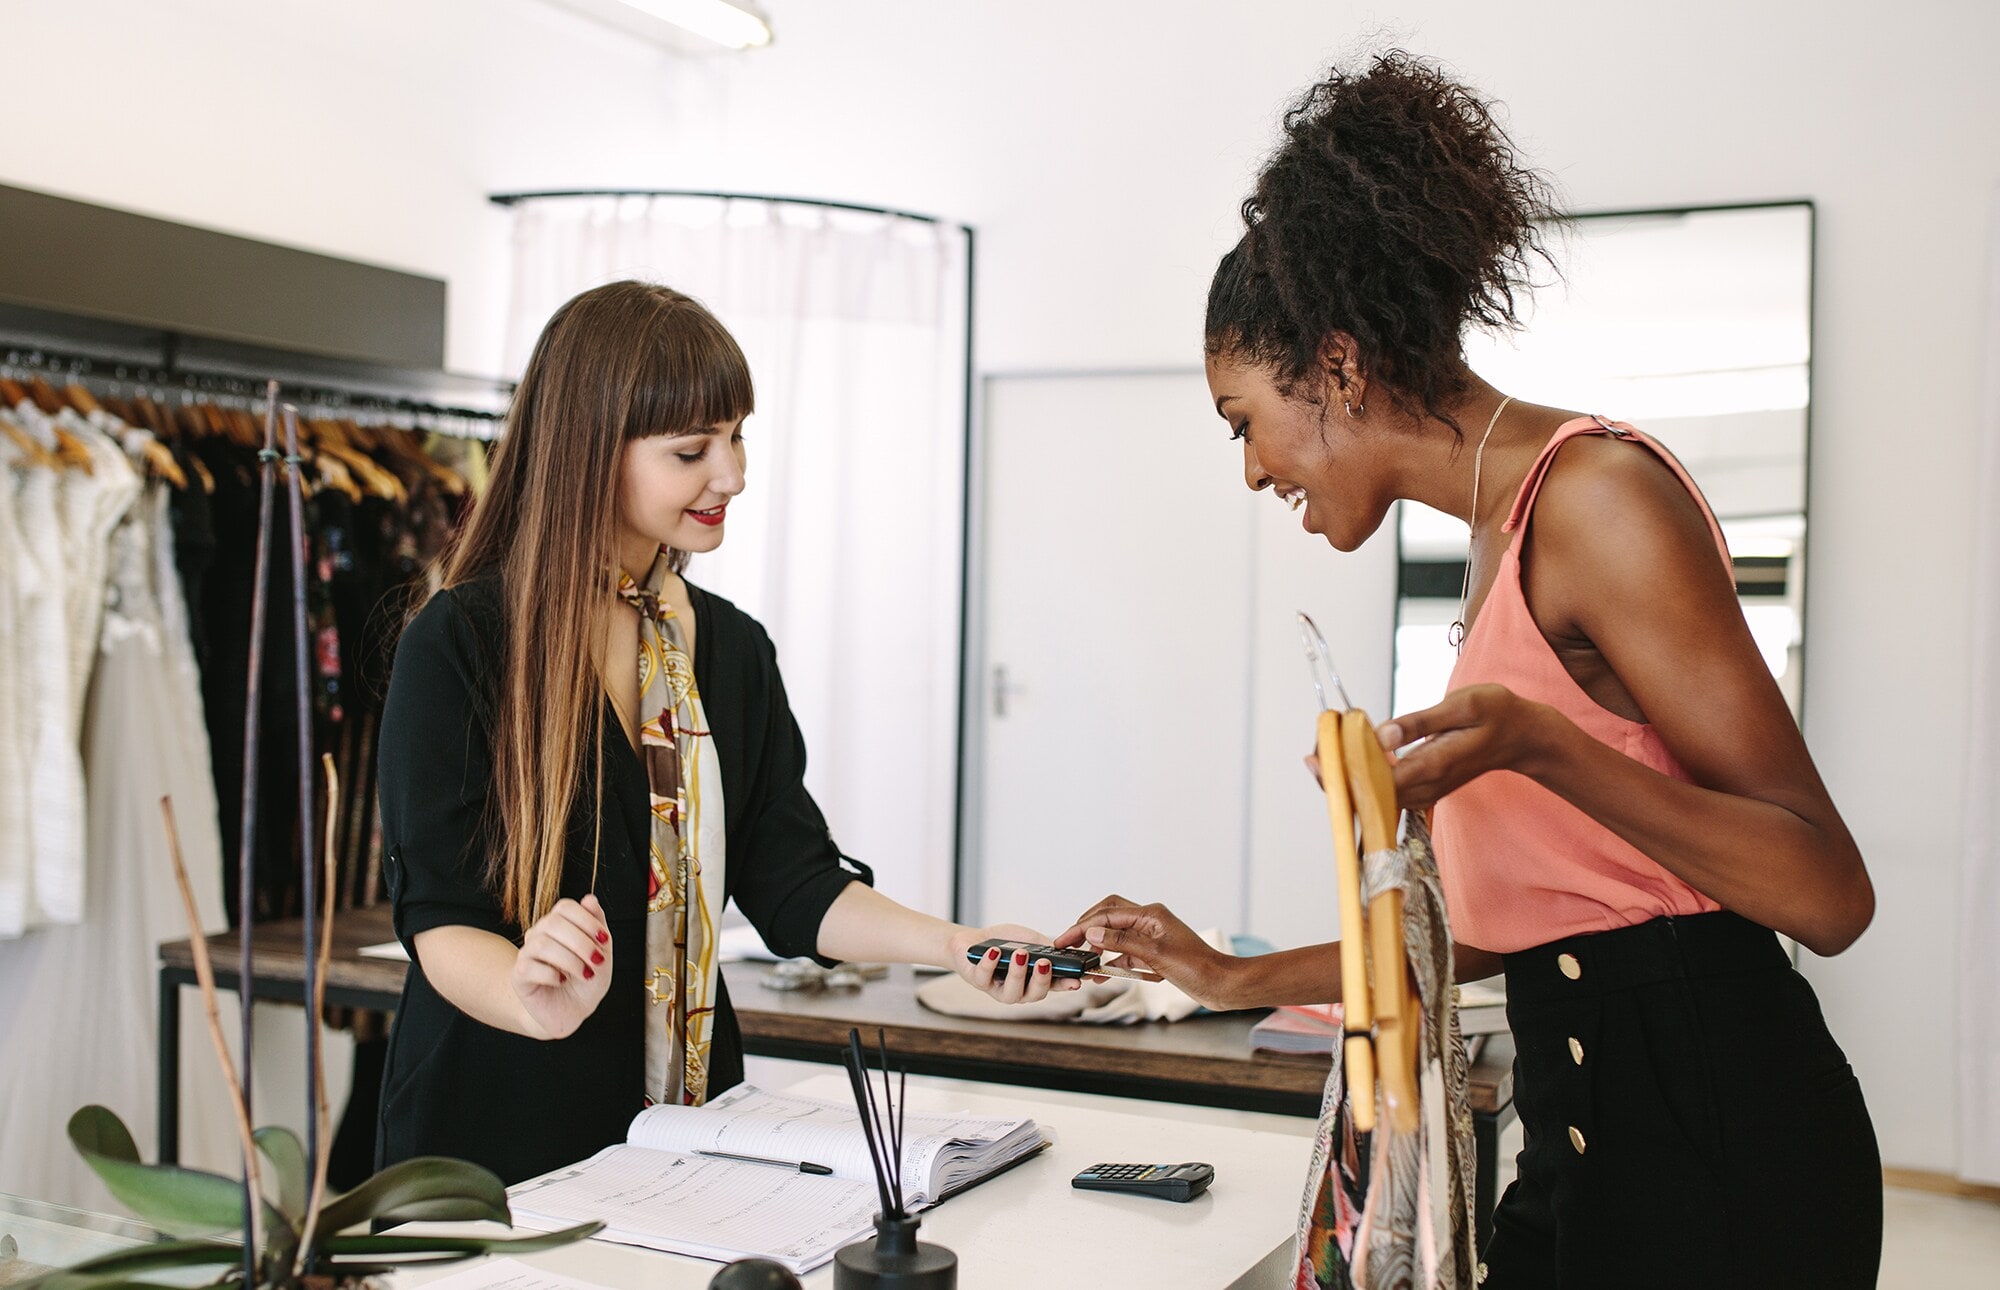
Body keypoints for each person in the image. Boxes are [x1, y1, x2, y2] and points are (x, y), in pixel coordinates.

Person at [1057, 52, 1881, 1287]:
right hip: (1584, 1138)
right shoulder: (1496, 540)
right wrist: (1223, 975)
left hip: (1720, 1141)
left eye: (1243, 422)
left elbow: (1826, 893)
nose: (1250, 471)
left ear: (1336, 367)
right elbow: (1502, 934)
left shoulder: (1596, 499)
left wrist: (1538, 746)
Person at [375, 281, 1064, 1185]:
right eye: (692, 449)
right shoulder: (464, 640)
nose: (732, 475)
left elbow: (793, 884)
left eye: (738, 436)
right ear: (588, 452)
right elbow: (441, 917)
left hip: (691, 1139)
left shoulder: (731, 650)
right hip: (493, 1136)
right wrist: (526, 995)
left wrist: (955, 945)